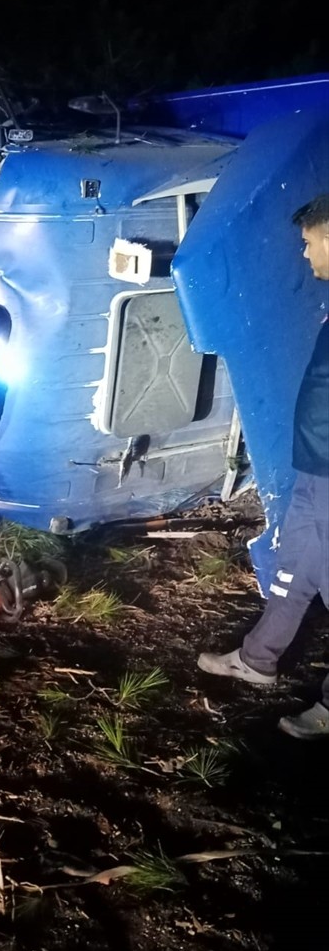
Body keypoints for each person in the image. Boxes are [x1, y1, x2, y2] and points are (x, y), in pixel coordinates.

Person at [197, 194, 329, 740]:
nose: (304, 252)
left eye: (311, 240)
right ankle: (258, 659)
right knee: (295, 563)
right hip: (317, 467)